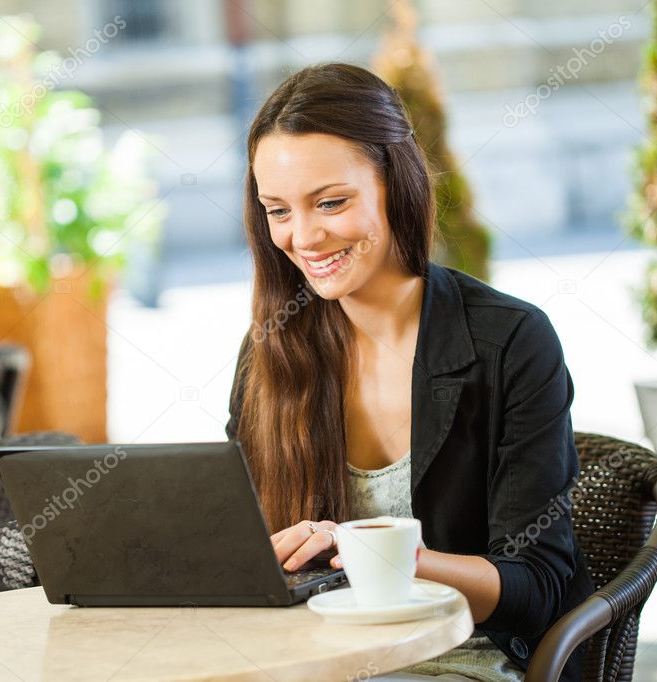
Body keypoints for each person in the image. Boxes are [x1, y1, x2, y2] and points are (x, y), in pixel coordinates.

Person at [224, 63, 595, 681]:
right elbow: (242, 547)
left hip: (459, 663)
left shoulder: (510, 342)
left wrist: (385, 556)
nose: (304, 236)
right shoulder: (270, 351)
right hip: (308, 664)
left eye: (331, 202)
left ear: (396, 185)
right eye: (277, 210)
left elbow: (538, 590)